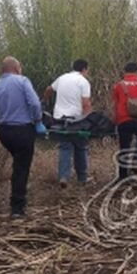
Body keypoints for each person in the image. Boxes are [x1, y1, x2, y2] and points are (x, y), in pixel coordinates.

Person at [0, 56, 44, 219]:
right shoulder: (22, 81)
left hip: (5, 133)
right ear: (17, 68)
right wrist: (38, 120)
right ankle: (17, 207)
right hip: (23, 130)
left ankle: (18, 198)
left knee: (18, 163)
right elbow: (35, 104)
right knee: (21, 168)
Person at [44, 59, 91, 187]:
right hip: (76, 119)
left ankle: (64, 177)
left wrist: (46, 101)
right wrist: (88, 119)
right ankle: (82, 178)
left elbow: (49, 89)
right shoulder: (83, 82)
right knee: (81, 147)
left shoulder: (62, 78)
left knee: (65, 147)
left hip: (59, 119)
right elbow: (86, 103)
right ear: (84, 69)